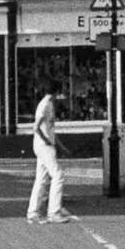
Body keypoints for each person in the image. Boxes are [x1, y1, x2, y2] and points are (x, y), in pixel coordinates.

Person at [27, 92, 75, 225]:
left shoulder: (49, 104)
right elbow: (36, 127)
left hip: (44, 146)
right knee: (58, 175)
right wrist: (47, 141)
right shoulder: (45, 105)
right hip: (44, 147)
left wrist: (61, 147)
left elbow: (50, 130)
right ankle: (54, 212)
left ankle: (33, 212)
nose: (62, 98)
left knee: (41, 179)